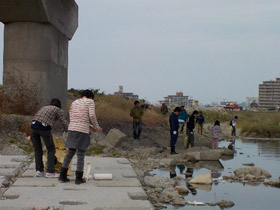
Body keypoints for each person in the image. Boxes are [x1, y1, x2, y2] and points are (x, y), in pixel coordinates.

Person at [59, 90, 102, 184]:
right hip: (82, 130)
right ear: (90, 97)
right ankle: (78, 178)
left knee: (70, 152)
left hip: (72, 128)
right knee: (81, 154)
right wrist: (97, 126)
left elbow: (76, 117)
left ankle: (62, 176)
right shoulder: (90, 101)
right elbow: (92, 115)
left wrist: (91, 126)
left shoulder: (74, 102)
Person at [30, 98, 68, 178]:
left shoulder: (44, 107)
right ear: (59, 105)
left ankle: (39, 171)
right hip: (43, 128)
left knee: (38, 149)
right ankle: (50, 171)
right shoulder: (58, 109)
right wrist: (67, 130)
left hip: (33, 127)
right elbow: (63, 121)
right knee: (51, 149)